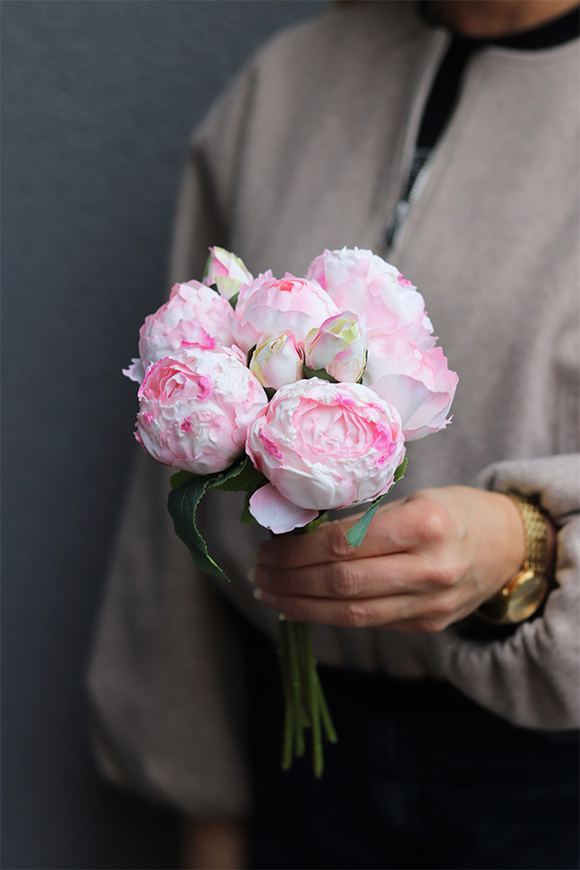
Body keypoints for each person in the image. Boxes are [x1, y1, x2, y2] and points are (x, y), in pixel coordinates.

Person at [88, 1, 580, 868]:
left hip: (547, 773)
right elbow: (176, 481)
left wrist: (524, 544)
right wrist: (205, 803)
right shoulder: (287, 85)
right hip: (296, 753)